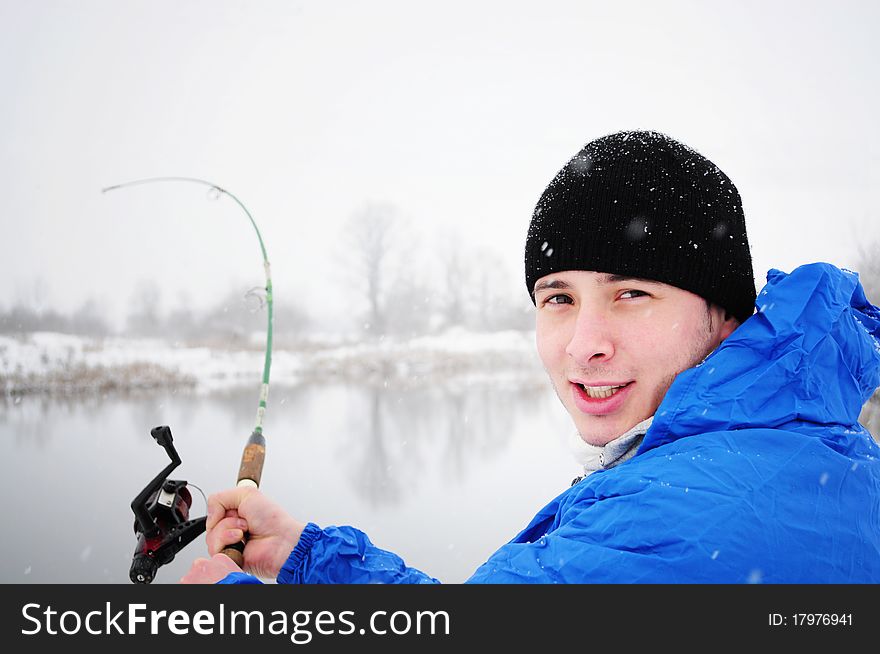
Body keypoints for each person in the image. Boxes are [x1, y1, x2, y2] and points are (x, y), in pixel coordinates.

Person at [182, 130, 880, 584]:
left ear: (724, 314)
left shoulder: (678, 515)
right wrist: (310, 559)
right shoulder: (803, 452)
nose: (583, 343)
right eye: (557, 298)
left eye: (631, 292)